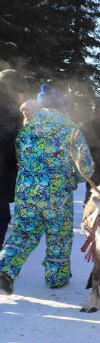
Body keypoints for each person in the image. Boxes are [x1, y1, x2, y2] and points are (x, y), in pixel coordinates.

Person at [0, 84, 94, 295]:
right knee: (59, 234)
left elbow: (18, 158)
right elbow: (86, 165)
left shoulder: (27, 129)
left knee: (23, 232)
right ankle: (56, 277)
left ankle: (5, 268)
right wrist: (74, 178)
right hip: (57, 195)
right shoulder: (70, 130)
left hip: (27, 193)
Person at [0, 70, 29, 247]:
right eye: (21, 91)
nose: (23, 96)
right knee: (1, 217)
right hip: (2, 178)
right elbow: (11, 146)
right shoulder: (10, 114)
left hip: (4, 177)